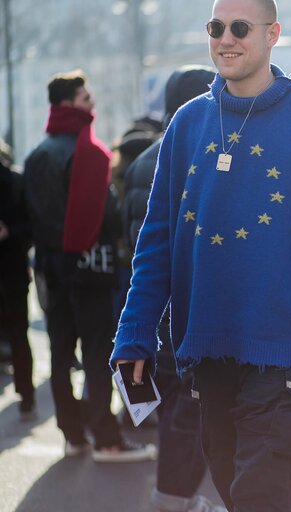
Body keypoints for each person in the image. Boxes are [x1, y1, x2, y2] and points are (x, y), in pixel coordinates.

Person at [109, 0, 291, 510]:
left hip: (290, 354)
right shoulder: (187, 124)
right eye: (216, 27)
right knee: (240, 496)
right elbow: (157, 242)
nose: (225, 39)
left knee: (263, 497)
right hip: (208, 351)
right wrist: (134, 335)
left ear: (273, 33)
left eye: (240, 27)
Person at [22, 69, 156, 462]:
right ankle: (106, 438)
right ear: (67, 104)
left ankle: (73, 435)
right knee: (98, 352)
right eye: (85, 98)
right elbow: (107, 217)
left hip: (51, 268)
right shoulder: (91, 154)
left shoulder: (35, 156)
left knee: (60, 353)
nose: (92, 103)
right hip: (90, 268)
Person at [122, 64, 226, 512]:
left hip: (155, 310)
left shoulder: (143, 159)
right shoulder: (193, 154)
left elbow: (136, 240)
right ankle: (175, 499)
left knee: (172, 413)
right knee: (193, 416)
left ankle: (172, 496)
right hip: (188, 312)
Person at [0, 137, 36, 421]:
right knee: (19, 334)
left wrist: (9, 232)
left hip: (12, 271)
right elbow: (30, 228)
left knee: (19, 334)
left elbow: (28, 227)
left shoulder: (15, 182)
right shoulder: (17, 181)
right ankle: (26, 393)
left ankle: (26, 393)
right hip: (14, 271)